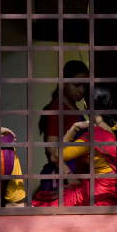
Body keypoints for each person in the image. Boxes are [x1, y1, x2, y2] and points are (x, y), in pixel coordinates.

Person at [33, 84, 117, 207]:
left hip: (96, 196)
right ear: (110, 103)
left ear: (85, 105)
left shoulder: (91, 136)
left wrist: (73, 129)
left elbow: (55, 156)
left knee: (42, 204)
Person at [38, 60, 89, 191]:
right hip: (61, 179)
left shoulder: (72, 107)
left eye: (85, 86)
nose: (82, 90)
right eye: (77, 85)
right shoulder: (57, 109)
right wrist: (68, 174)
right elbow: (51, 148)